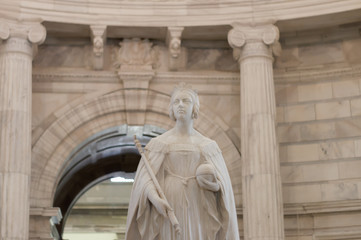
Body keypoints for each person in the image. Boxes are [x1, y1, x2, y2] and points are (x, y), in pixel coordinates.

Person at [125, 83, 239, 240]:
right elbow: (145, 180)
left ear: (194, 107)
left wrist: (212, 183)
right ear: (171, 107)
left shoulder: (208, 146)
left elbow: (223, 186)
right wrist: (156, 199)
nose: (180, 105)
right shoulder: (158, 144)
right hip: (168, 201)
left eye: (186, 101)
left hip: (198, 203)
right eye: (176, 101)